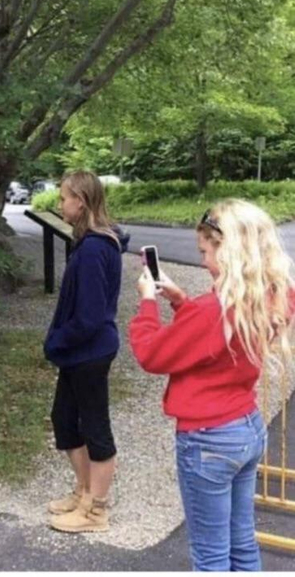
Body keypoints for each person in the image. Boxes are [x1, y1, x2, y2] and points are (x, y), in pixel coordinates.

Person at [130, 198, 294, 571]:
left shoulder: (212, 311)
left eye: (205, 251)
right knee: (241, 544)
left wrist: (148, 304)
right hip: (247, 428)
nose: (202, 260)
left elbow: (152, 355)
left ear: (228, 250)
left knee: (210, 558)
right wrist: (180, 300)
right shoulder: (272, 296)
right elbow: (218, 343)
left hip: (209, 441)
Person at [44, 170, 129, 533]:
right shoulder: (89, 242)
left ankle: (96, 511)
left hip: (89, 352)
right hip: (79, 353)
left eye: (64, 197)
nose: (60, 204)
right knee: (64, 421)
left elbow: (91, 317)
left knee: (95, 428)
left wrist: (56, 341)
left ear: (80, 201)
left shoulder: (95, 248)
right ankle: (83, 493)